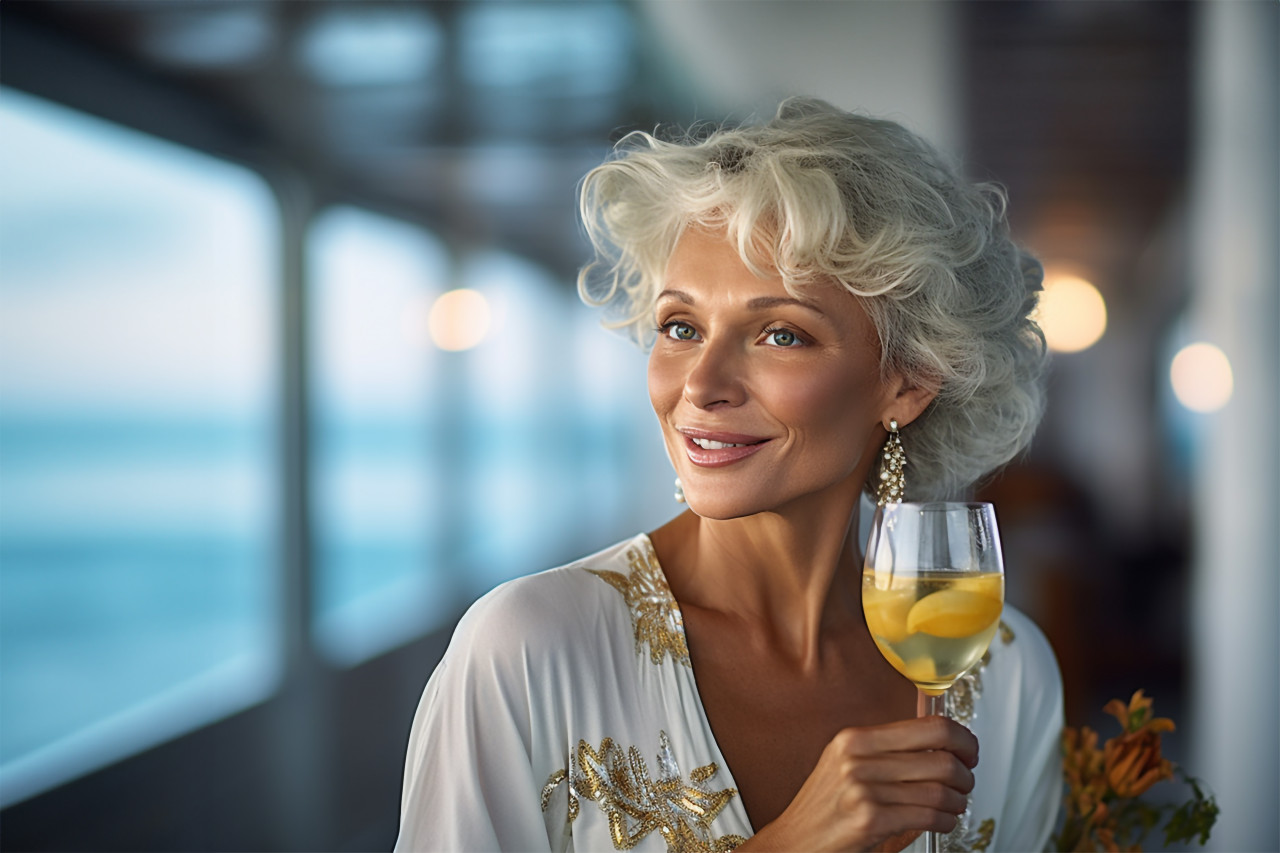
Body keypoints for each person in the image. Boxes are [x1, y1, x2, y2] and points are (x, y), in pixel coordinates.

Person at [395, 98, 1063, 853]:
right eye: (681, 327)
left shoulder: (1007, 672)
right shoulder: (526, 650)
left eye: (781, 333)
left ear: (907, 384)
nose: (701, 383)